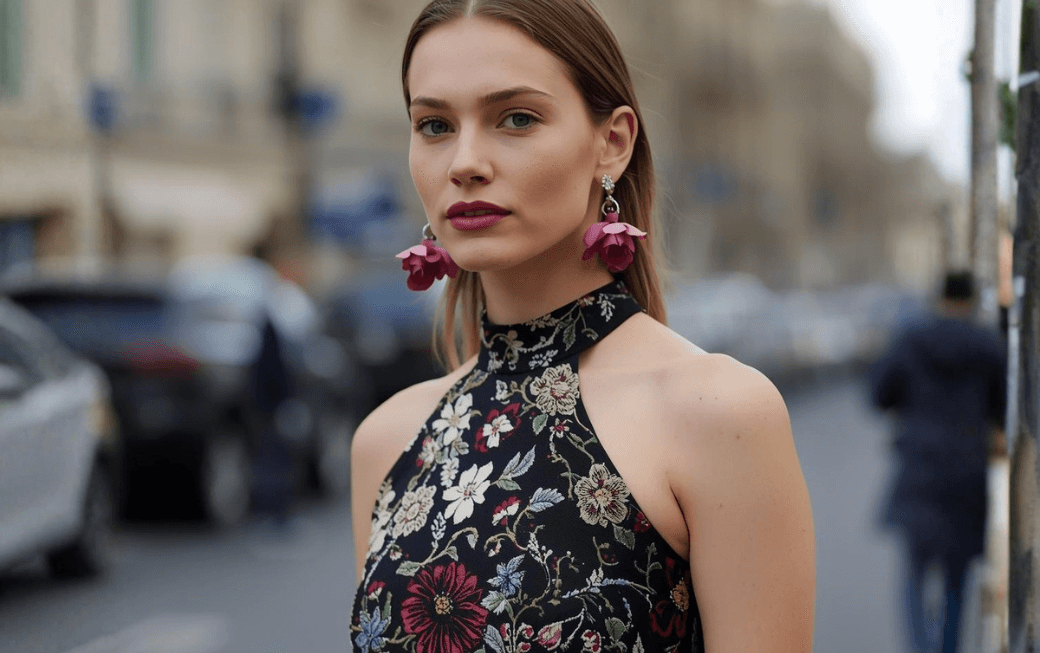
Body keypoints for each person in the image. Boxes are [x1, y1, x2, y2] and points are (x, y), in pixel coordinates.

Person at [349, 2, 816, 651]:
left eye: (516, 118)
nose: (465, 161)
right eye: (434, 125)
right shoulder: (387, 441)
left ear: (612, 143)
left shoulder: (717, 412)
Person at [870, 270, 1007, 653]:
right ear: (970, 300)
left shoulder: (911, 340)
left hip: (919, 472)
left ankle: (918, 646)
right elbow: (1005, 409)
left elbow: (879, 396)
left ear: (940, 298)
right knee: (956, 580)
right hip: (967, 475)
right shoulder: (988, 346)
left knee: (914, 578)